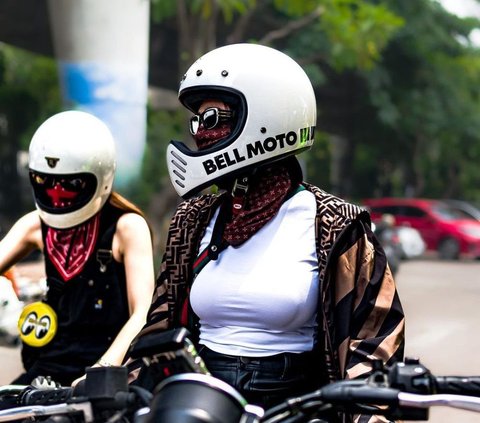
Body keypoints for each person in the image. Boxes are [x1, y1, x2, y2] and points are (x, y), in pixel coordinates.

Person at [130, 44, 405, 421]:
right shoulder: (194, 219)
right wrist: (126, 393)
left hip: (295, 407)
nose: (199, 134)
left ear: (265, 118)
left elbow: (376, 342)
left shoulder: (336, 224)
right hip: (195, 399)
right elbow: (158, 324)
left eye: (212, 118)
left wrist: (363, 414)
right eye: (196, 121)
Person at [0, 110, 155, 387]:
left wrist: (100, 372)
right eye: (44, 182)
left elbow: (141, 313)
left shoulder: (127, 227)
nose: (56, 193)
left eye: (70, 185)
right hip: (47, 369)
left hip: (106, 373)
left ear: (100, 177)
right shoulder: (34, 225)